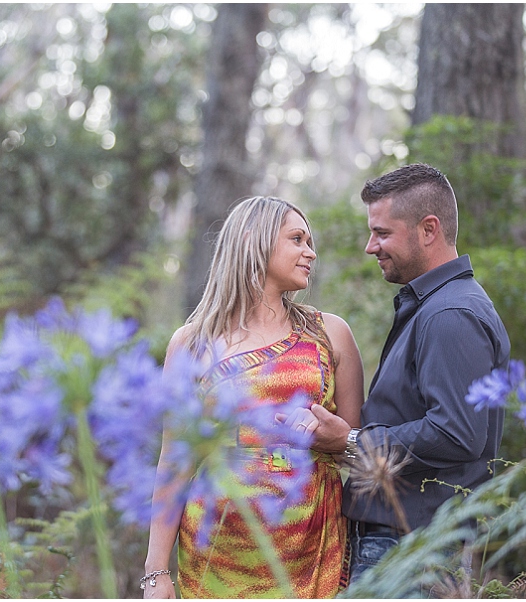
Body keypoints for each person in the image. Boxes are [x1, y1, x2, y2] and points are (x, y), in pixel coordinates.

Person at [289, 163, 511, 584]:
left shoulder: (451, 313)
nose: (370, 247)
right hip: (403, 544)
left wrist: (352, 441)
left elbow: (457, 432)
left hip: (412, 549)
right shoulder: (434, 305)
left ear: (428, 229)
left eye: (382, 233)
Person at [142, 196, 364, 598]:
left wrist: (332, 436)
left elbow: (357, 448)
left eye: (310, 241)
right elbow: (174, 462)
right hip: (214, 561)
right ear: (252, 242)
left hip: (313, 555)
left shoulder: (329, 334)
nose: (310, 252)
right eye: (297, 239)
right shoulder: (192, 345)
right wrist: (156, 571)